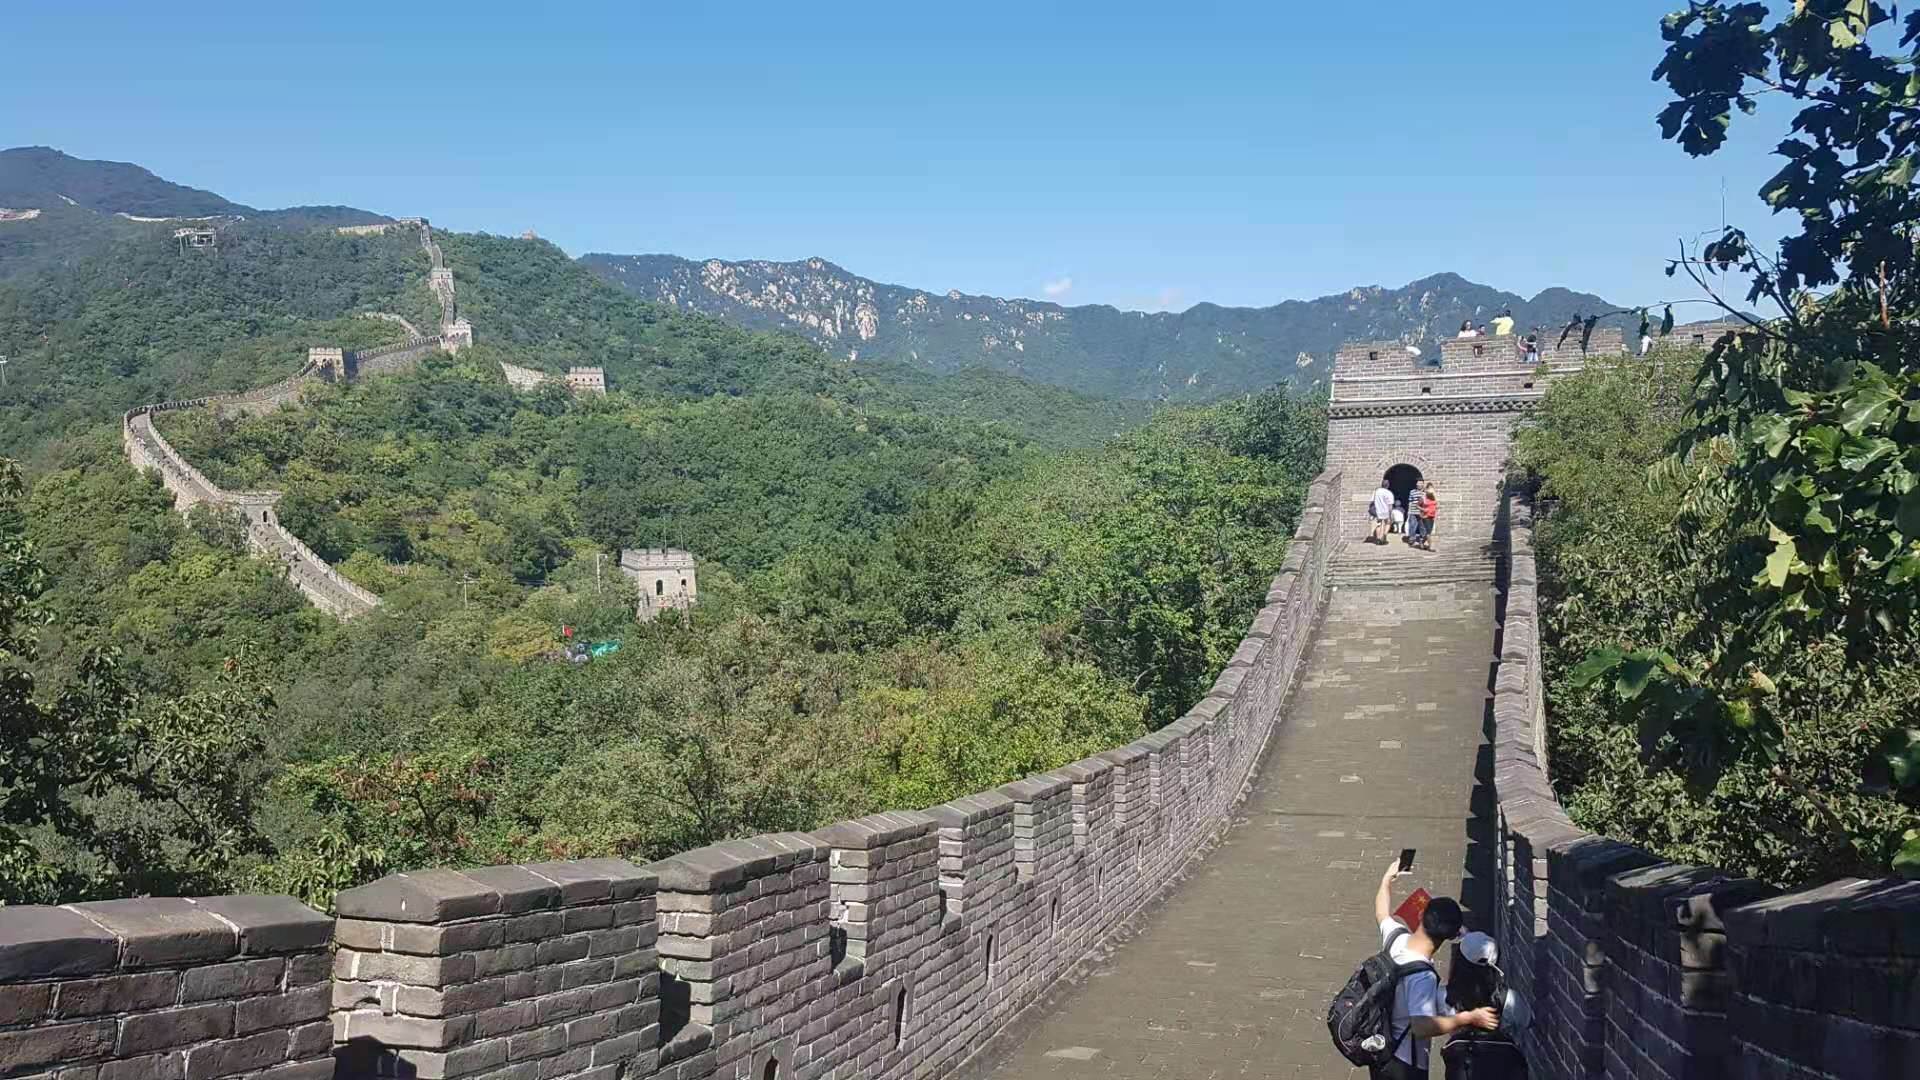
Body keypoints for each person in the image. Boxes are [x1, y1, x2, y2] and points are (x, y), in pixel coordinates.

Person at [1372, 860, 1499, 1079]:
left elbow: (1381, 913)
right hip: (1404, 1063)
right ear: (1450, 937)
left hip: (1381, 1048)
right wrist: (1468, 1018)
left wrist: (1386, 880)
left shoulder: (1396, 938)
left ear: (1421, 916)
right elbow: (1421, 1026)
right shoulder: (1423, 977)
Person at [1404, 481, 1427, 547]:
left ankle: (1422, 539)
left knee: (1422, 527)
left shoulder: (1425, 493)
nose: (1418, 485)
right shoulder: (1412, 492)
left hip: (1422, 512)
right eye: (1417, 483)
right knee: (1412, 526)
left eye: (1420, 483)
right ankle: (1412, 539)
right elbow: (1410, 502)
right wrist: (1409, 511)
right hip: (1413, 511)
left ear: (1423, 484)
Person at [1418, 483, 1438, 552]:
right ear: (1426, 489)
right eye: (1429, 488)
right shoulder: (1423, 497)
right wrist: (1423, 509)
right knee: (1428, 532)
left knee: (1429, 532)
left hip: (1432, 516)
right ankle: (1430, 547)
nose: (1431, 489)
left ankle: (1421, 541)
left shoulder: (1433, 496)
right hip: (1425, 516)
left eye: (1432, 488)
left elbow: (1436, 504)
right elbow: (1417, 505)